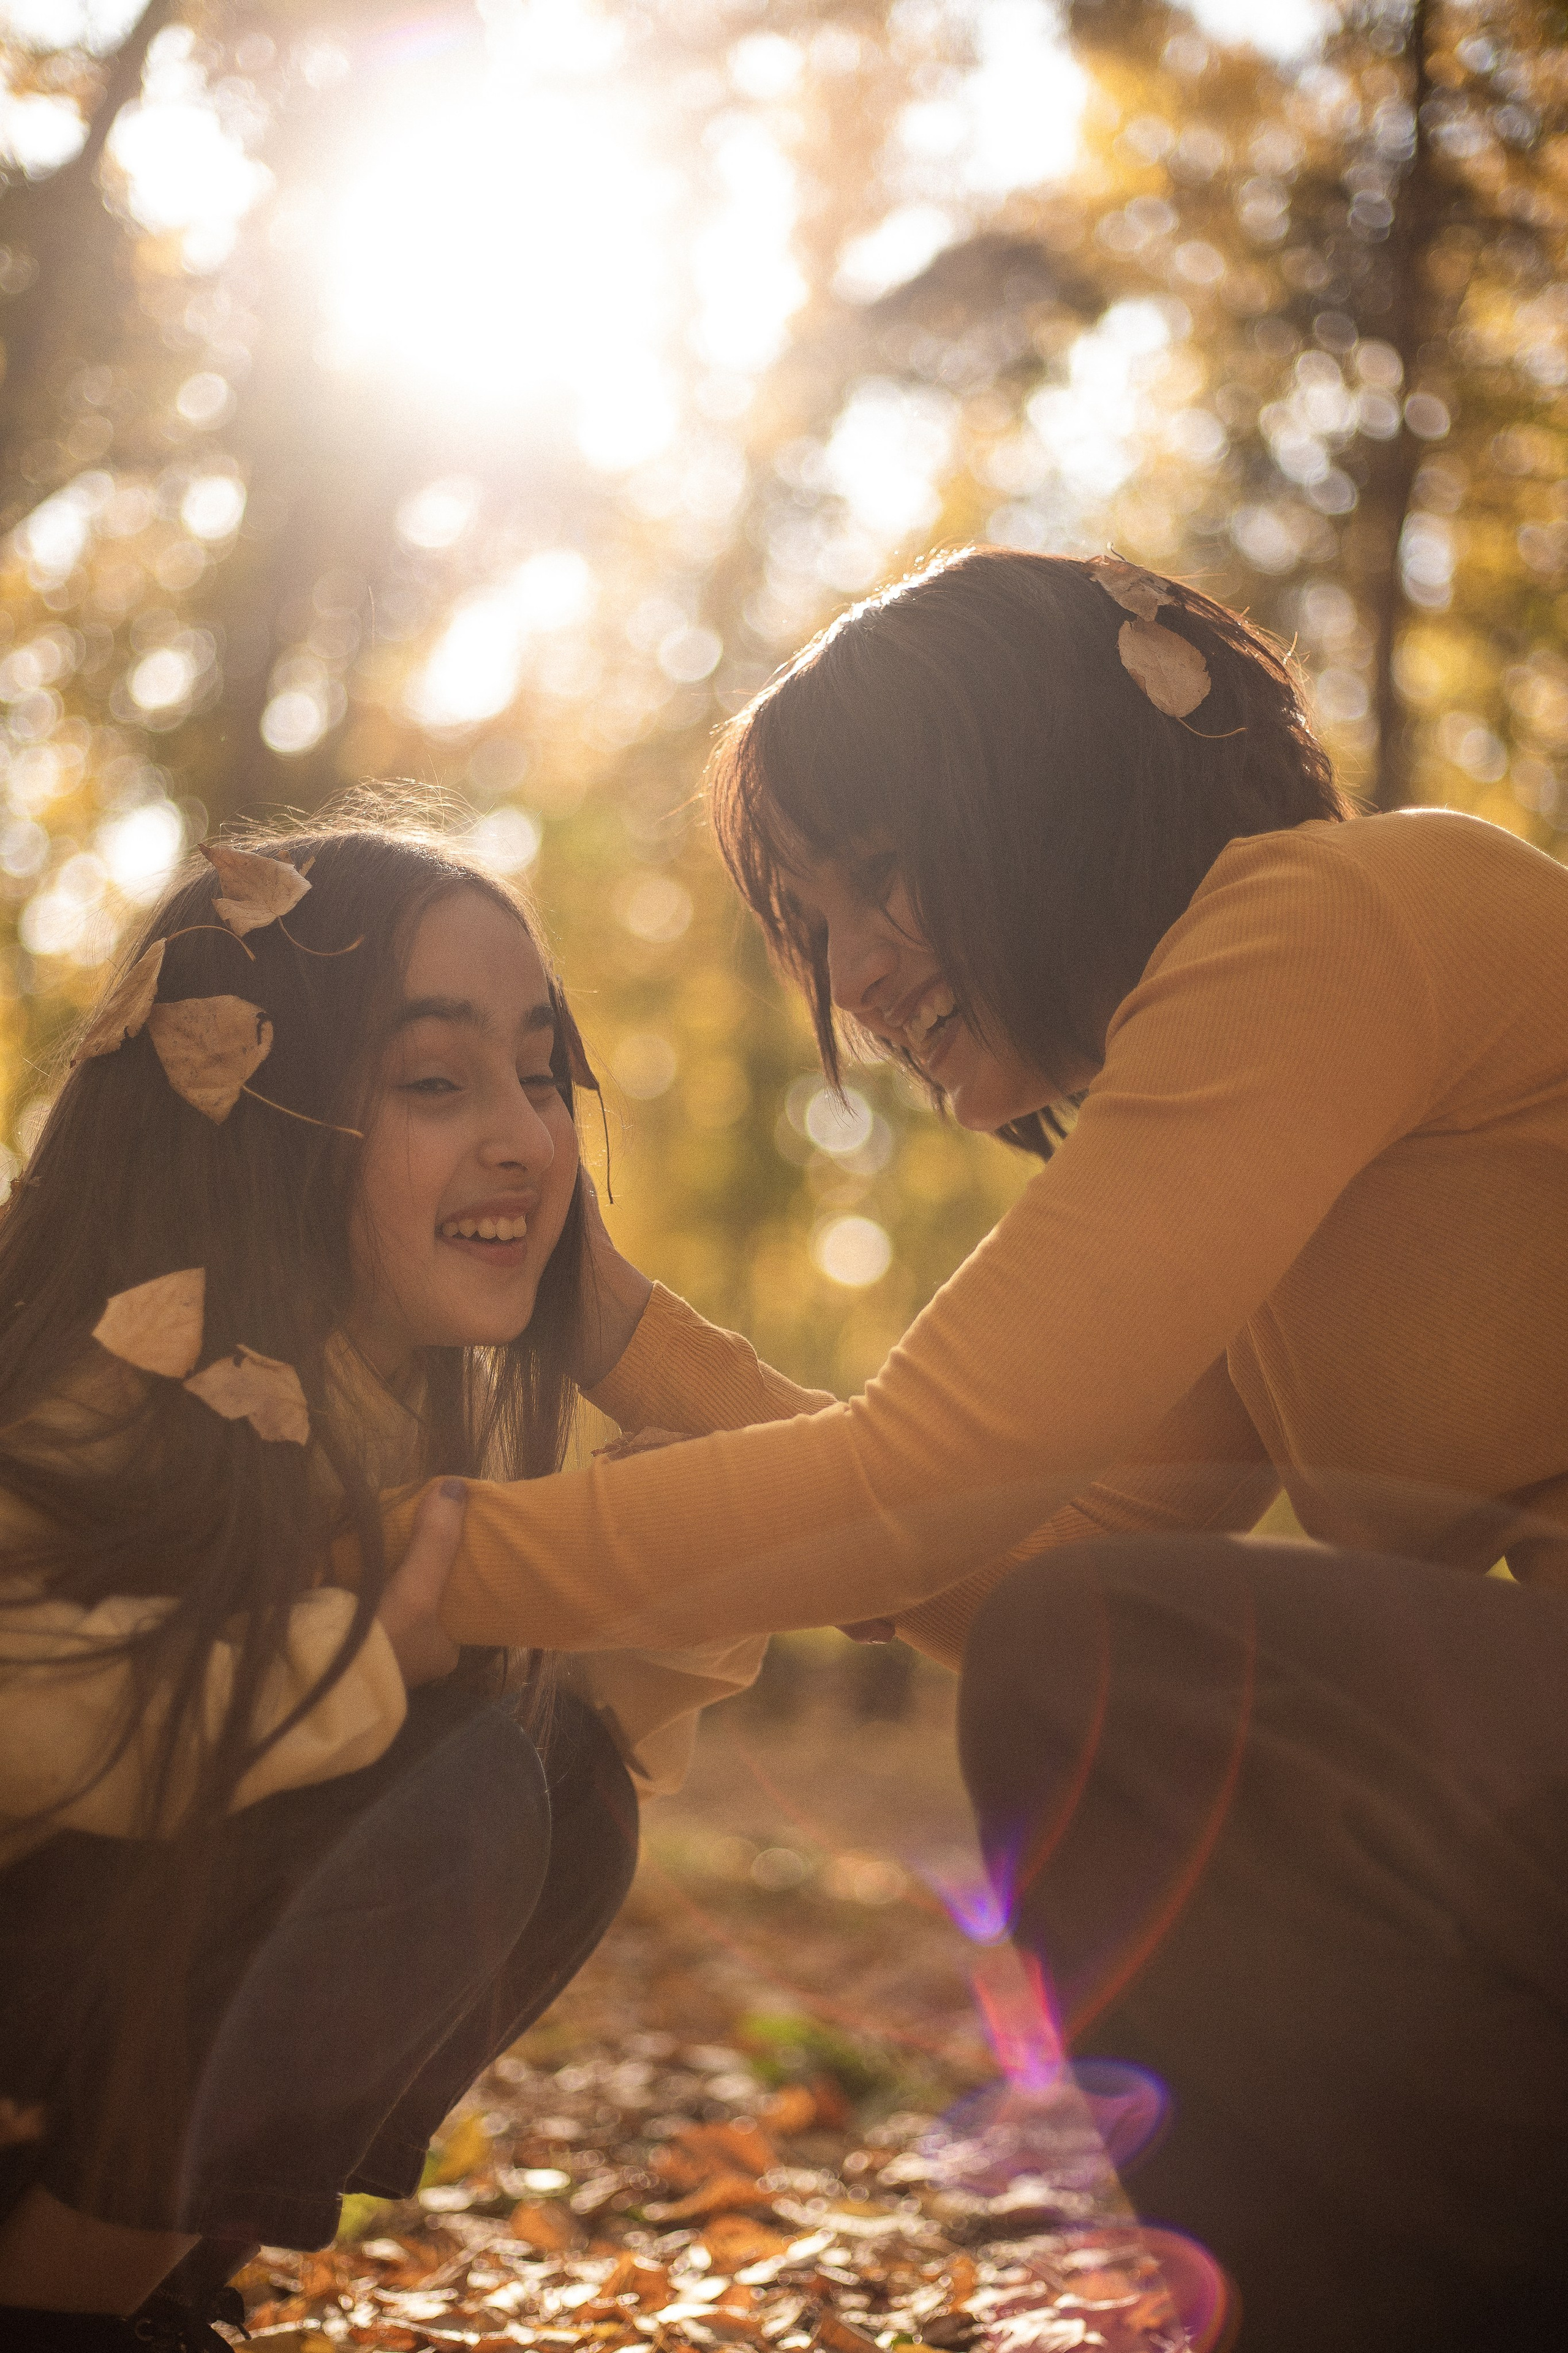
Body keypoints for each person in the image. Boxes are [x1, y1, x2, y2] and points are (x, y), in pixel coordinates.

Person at [379, 551, 1568, 2351]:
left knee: (1128, 1664)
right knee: (1112, 1652)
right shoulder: (1280, 1100)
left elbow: (920, 1489)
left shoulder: (1330, 916)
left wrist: (393, 1558)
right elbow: (1008, 1553)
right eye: (812, 919)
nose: (852, 970)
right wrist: (618, 1332)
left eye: (881, 874)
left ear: (1051, 792)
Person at [0, 814, 764, 2349]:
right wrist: (355, 1660)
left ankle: (146, 2288)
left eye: (539, 1075)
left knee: (554, 1777)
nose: (528, 1137)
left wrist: (616, 1342)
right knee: (450, 1788)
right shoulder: (94, 1378)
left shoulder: (381, 1400)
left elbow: (825, 1507)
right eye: (434, 1081)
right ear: (255, 1115)